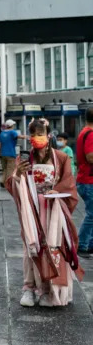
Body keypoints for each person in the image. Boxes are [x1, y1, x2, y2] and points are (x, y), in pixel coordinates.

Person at [8, 119, 85, 307]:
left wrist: (57, 190)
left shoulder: (60, 157)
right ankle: (29, 287)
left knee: (53, 245)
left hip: (53, 210)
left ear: (48, 135)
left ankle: (49, 288)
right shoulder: (26, 159)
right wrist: (17, 174)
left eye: (40, 134)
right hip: (31, 208)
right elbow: (12, 184)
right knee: (31, 246)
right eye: (33, 135)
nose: (36, 138)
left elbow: (68, 182)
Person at [77, 108, 93, 258]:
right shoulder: (90, 134)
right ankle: (82, 245)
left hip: (85, 179)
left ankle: (89, 244)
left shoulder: (84, 132)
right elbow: (90, 157)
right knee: (91, 214)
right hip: (89, 180)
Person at [0, 119, 20, 184]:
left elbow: (0, 144)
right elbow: (18, 136)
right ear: (11, 125)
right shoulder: (12, 132)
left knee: (5, 169)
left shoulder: (2, 133)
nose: (14, 126)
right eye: (13, 125)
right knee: (10, 169)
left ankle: (2, 181)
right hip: (11, 153)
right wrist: (26, 137)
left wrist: (0, 153)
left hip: (3, 154)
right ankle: (7, 183)